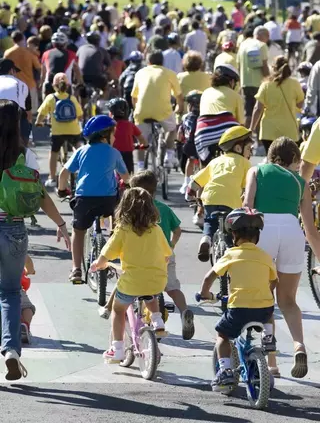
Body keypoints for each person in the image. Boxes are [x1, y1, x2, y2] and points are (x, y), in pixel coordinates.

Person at [0, 99, 70, 380]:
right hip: (14, 229)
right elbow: (41, 196)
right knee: (11, 293)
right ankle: (11, 350)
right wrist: (61, 224)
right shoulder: (24, 154)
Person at [244, 137, 320, 378]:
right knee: (288, 300)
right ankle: (299, 345)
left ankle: (273, 362)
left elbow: (248, 205)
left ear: (271, 156)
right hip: (292, 233)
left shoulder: (255, 171)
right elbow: (310, 230)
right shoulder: (300, 183)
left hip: (263, 229)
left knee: (265, 298)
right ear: (295, 160)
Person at [198, 208, 277, 391]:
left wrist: (204, 293)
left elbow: (209, 277)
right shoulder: (265, 256)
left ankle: (225, 370)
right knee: (270, 309)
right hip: (263, 309)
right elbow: (274, 280)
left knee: (223, 335)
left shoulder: (231, 254)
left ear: (233, 235)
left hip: (238, 308)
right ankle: (269, 336)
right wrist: (265, 291)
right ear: (257, 236)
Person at [90, 187, 171, 361]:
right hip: (157, 279)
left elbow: (108, 252)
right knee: (150, 293)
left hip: (132, 281)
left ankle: (117, 349)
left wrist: (98, 263)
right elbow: (167, 255)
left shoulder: (123, 230)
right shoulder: (156, 229)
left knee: (118, 310)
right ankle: (157, 320)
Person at [57, 115, 130, 283]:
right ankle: (112, 256)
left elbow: (64, 173)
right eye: (113, 133)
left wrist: (62, 190)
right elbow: (125, 176)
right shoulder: (114, 152)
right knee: (114, 225)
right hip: (108, 200)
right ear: (105, 135)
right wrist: (128, 185)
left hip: (85, 199)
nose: (115, 136)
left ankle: (76, 269)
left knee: (78, 230)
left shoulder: (82, 151)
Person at [130, 171, 195, 340]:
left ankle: (153, 321)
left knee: (145, 289)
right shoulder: (164, 208)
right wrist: (171, 245)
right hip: (166, 254)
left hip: (144, 256)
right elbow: (177, 230)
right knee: (173, 288)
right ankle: (184, 312)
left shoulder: (135, 211)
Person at [186, 126, 252, 261]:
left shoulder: (215, 161)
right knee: (231, 228)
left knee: (210, 221)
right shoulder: (245, 163)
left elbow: (197, 180)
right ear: (238, 148)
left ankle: (206, 239)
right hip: (231, 201)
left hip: (210, 198)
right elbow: (249, 186)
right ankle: (228, 250)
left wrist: (190, 193)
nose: (250, 152)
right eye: (249, 148)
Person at [131, 50, 184, 170]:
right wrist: (179, 108)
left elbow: (134, 97)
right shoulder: (169, 73)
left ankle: (139, 167)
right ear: (162, 62)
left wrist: (137, 111)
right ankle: (168, 157)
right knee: (171, 129)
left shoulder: (140, 73)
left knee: (141, 140)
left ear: (148, 61)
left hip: (142, 112)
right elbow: (179, 96)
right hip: (163, 111)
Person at [35, 73, 83, 187]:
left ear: (53, 85)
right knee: (78, 146)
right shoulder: (72, 98)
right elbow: (80, 115)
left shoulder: (51, 98)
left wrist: (38, 122)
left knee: (54, 152)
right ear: (68, 86)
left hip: (58, 132)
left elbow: (41, 114)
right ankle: (82, 169)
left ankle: (51, 177)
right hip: (73, 130)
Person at [250, 56, 304, 153]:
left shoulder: (266, 84)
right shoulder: (295, 83)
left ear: (273, 68)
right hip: (289, 131)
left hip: (268, 132)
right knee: (287, 164)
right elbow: (300, 105)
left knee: (272, 161)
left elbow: (258, 109)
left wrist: (251, 129)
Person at [195, 64, 244, 166]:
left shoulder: (205, 92)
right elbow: (241, 123)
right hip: (226, 131)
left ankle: (202, 173)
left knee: (205, 166)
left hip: (204, 133)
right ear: (231, 81)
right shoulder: (235, 96)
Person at [237, 25, 269, 127]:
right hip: (259, 84)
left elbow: (238, 66)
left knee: (248, 112)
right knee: (259, 111)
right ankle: (258, 139)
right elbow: (264, 67)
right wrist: (269, 80)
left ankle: (246, 139)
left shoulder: (242, 45)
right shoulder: (262, 45)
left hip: (245, 83)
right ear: (263, 35)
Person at [4, 30, 41, 115]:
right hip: (29, 84)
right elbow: (39, 68)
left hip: (13, 85)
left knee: (15, 111)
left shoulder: (7, 53)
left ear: (13, 40)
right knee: (31, 111)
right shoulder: (30, 53)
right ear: (23, 39)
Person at [107, 97, 147, 174]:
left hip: (111, 153)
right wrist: (144, 145)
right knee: (129, 178)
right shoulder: (130, 125)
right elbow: (142, 139)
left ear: (111, 114)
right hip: (127, 154)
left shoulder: (108, 126)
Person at [0, 58, 32, 145]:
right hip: (18, 120)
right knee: (22, 148)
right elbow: (28, 113)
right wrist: (29, 136)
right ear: (11, 71)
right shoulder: (22, 85)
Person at [40, 32, 82, 98]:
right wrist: (80, 82)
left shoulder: (45, 54)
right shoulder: (72, 54)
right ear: (65, 43)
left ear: (53, 43)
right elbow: (77, 70)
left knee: (46, 105)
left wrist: (41, 83)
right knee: (69, 105)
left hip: (49, 84)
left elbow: (43, 73)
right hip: (66, 85)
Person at [177, 90, 202, 194]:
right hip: (201, 144)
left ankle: (186, 183)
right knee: (202, 163)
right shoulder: (204, 117)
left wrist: (179, 141)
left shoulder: (186, 117)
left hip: (189, 145)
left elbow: (180, 133)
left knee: (190, 161)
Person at [21, 255, 36, 344]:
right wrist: (30, 271)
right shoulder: (16, 248)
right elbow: (27, 260)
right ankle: (25, 325)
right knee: (28, 307)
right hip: (14, 288)